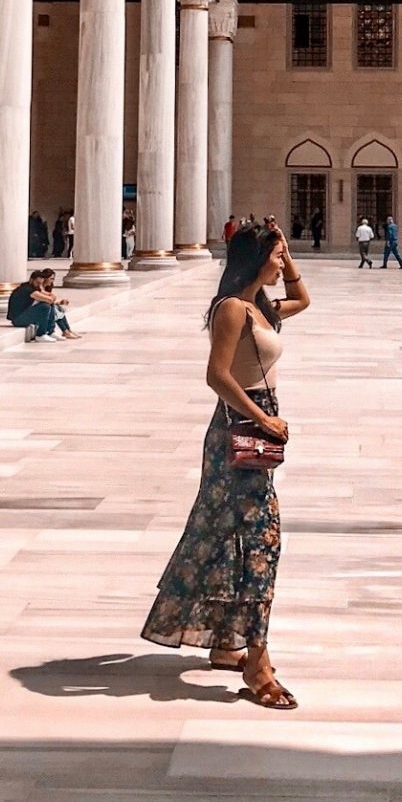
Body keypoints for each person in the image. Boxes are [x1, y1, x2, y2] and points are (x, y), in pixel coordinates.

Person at [142, 221, 309, 710]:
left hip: (255, 426)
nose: (282, 264)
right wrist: (263, 419)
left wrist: (284, 251)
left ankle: (225, 641)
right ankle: (258, 662)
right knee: (260, 542)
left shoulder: (261, 307)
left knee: (228, 534)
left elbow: (304, 299)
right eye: (276, 256)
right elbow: (215, 375)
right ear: (255, 259)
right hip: (240, 427)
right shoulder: (232, 310)